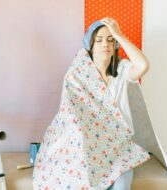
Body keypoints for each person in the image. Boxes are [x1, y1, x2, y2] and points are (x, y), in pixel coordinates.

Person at [32, 17, 151, 190]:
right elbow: (69, 114)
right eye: (99, 40)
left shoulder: (123, 71)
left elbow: (143, 65)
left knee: (121, 186)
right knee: (86, 183)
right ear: (90, 44)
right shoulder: (77, 75)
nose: (105, 44)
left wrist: (119, 35)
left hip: (119, 146)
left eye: (111, 40)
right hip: (88, 145)